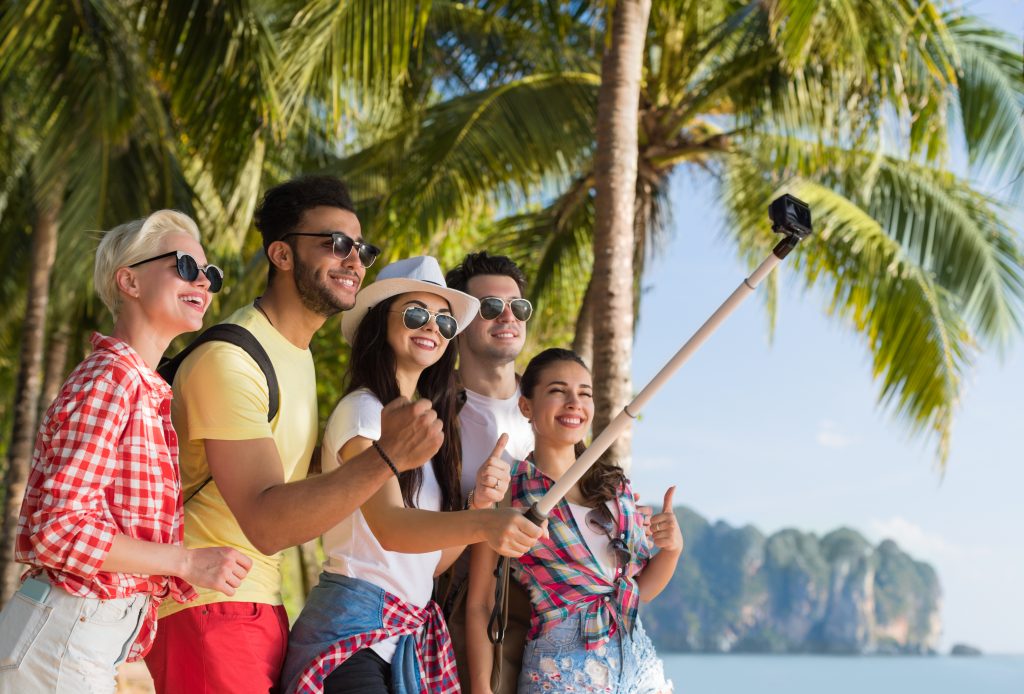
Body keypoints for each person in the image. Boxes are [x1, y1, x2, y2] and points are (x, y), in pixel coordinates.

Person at [145, 177, 444, 693]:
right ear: (281, 254)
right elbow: (266, 521)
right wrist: (385, 458)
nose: (354, 260)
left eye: (361, 249)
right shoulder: (231, 360)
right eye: (335, 243)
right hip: (206, 608)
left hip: (258, 606)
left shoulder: (296, 355)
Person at [0, 211, 251, 693]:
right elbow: (60, 528)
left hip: (72, 645)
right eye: (184, 265)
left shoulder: (137, 387)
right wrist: (186, 563)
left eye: (210, 274)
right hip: (60, 647)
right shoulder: (112, 381)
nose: (204, 280)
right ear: (129, 281)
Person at [279, 256, 546, 694]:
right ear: (379, 322)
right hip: (353, 634)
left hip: (402, 636)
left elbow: (430, 561)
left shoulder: (424, 427)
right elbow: (391, 528)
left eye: (444, 322)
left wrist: (477, 505)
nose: (432, 328)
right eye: (417, 314)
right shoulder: (364, 410)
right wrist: (485, 521)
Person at [466, 348, 682, 693]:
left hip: (642, 675)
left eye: (585, 393)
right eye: (557, 391)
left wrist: (672, 549)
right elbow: (480, 604)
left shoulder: (613, 487)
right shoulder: (507, 491)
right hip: (563, 677)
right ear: (526, 406)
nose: (574, 403)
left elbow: (634, 594)